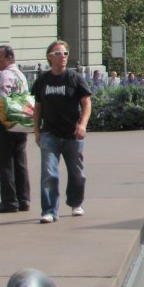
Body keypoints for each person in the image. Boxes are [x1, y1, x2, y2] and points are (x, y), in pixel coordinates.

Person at [31, 40, 92, 223]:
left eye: (65, 54)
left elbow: (86, 103)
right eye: (58, 54)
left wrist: (82, 124)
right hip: (50, 133)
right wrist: (36, 131)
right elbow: (38, 107)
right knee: (49, 172)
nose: (63, 57)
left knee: (76, 172)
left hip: (72, 134)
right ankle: (49, 210)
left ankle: (76, 202)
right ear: (50, 57)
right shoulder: (43, 80)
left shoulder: (74, 78)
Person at [0, 45, 31, 213]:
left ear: (9, 58)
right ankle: (23, 198)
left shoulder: (5, 74)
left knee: (2, 161)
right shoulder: (20, 74)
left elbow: (1, 97)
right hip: (20, 121)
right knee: (19, 160)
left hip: (4, 122)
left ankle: (9, 200)